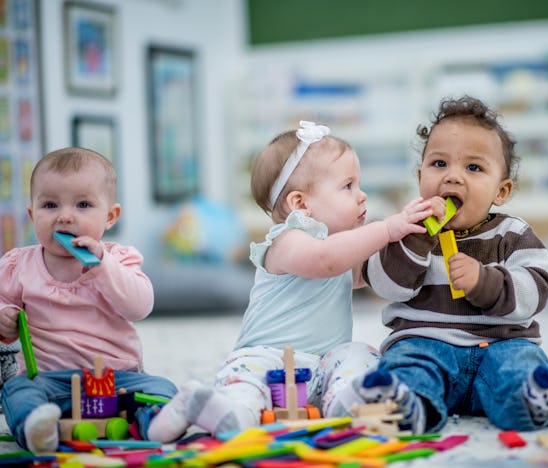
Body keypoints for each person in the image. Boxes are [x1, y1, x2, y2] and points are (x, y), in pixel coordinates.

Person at [147, 121, 433, 442]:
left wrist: (410, 241)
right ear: (300, 204)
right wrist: (385, 229)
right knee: (246, 382)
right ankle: (220, 408)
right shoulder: (287, 241)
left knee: (359, 353)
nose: (362, 195)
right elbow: (325, 260)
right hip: (267, 357)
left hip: (323, 364)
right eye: (348, 186)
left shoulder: (339, 245)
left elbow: (372, 273)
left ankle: (346, 400)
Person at [354, 96, 548, 434]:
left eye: (473, 168)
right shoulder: (404, 228)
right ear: (420, 176)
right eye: (439, 164)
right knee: (406, 364)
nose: (453, 177)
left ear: (501, 191)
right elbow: (386, 285)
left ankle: (532, 400)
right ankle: (406, 405)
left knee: (520, 365)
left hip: (501, 344)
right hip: (425, 343)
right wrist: (416, 238)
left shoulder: (512, 234)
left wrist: (485, 282)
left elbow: (536, 290)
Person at [0, 147, 177, 453]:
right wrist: (4, 317)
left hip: (117, 379)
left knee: (162, 389)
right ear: (32, 214)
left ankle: (157, 424)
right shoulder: (19, 266)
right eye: (50, 205)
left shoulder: (119, 260)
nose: (65, 216)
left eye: (83, 204)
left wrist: (103, 267)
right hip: (49, 381)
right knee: (15, 390)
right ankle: (38, 427)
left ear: (110, 216)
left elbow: (140, 306)